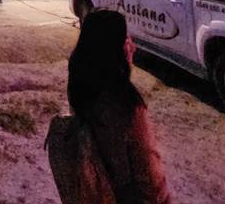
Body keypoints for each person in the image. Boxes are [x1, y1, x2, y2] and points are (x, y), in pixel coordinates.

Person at [65, 10, 171, 204]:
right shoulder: (126, 105)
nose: (133, 47)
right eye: (127, 39)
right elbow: (150, 178)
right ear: (114, 49)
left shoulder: (81, 88)